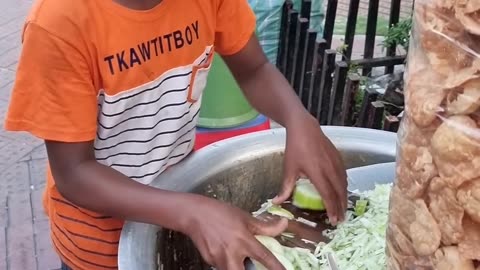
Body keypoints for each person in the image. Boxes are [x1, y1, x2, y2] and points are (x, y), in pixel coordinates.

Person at [4, 0, 347, 269]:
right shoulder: (60, 23)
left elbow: (254, 69)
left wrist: (298, 119)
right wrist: (194, 212)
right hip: (98, 246)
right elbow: (74, 173)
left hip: (175, 206)